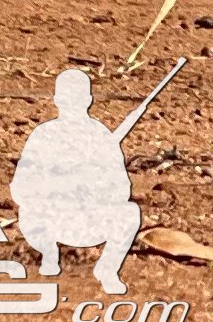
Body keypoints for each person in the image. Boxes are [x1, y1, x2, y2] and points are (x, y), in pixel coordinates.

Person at [12, 68, 143, 292]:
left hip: (88, 221)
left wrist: (93, 189)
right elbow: (20, 188)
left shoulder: (101, 136)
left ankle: (108, 269)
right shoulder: (44, 135)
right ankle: (48, 252)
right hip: (50, 220)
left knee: (129, 212)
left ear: (87, 100)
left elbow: (122, 190)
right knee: (28, 211)